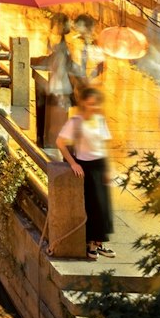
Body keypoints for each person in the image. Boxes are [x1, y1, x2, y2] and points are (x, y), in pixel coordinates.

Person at [56, 86, 115, 257]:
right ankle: (91, 245)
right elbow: (60, 142)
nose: (93, 108)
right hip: (86, 165)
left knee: (104, 207)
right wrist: (73, 163)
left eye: (95, 105)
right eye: (90, 104)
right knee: (93, 206)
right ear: (83, 104)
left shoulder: (100, 120)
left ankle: (99, 242)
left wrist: (107, 168)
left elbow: (104, 144)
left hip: (100, 164)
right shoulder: (75, 122)